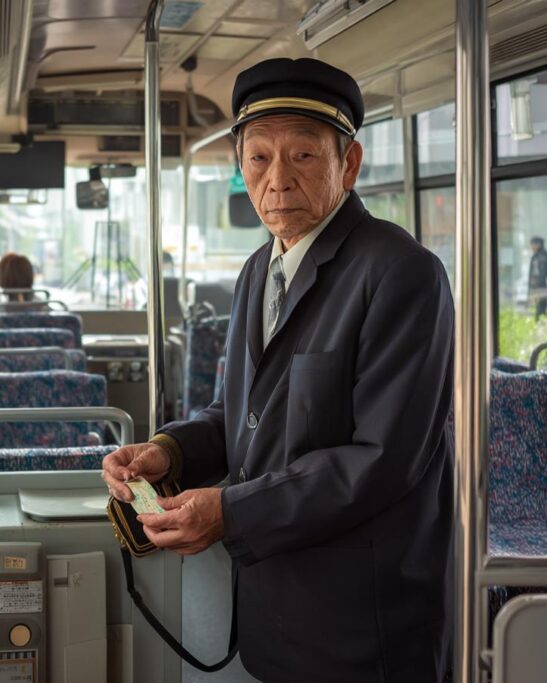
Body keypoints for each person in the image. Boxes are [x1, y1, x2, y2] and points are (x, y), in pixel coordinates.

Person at [103, 58, 454, 682]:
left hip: (360, 619)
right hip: (274, 607)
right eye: (259, 158)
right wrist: (170, 452)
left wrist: (230, 512)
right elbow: (240, 414)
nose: (278, 181)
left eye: (304, 156)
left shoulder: (401, 273)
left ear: (348, 164)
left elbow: (380, 459)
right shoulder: (257, 270)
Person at [529, 236, 547, 319]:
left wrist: (536, 285)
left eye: (532, 245)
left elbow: (542, 273)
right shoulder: (536, 256)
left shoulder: (541, 256)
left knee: (540, 307)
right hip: (537, 286)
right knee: (538, 307)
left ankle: (540, 324)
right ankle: (540, 323)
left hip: (540, 286)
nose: (531, 247)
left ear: (538, 245)